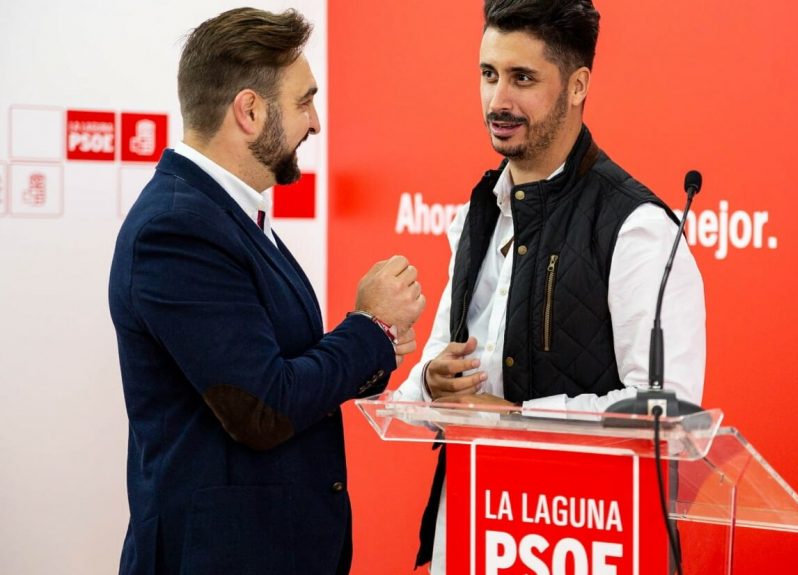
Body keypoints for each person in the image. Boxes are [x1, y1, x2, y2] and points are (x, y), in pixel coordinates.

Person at [108, 8, 425, 575]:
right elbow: (263, 406)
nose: (317, 123)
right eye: (304, 101)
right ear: (249, 111)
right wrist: (368, 329)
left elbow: (273, 369)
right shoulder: (178, 229)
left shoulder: (226, 215)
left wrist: (376, 347)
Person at [394, 0, 706, 572]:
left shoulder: (636, 228)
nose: (498, 101)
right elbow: (419, 395)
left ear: (578, 84)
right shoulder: (477, 215)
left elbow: (669, 416)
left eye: (523, 79)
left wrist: (515, 421)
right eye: (488, 74)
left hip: (586, 544)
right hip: (468, 538)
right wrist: (432, 385)